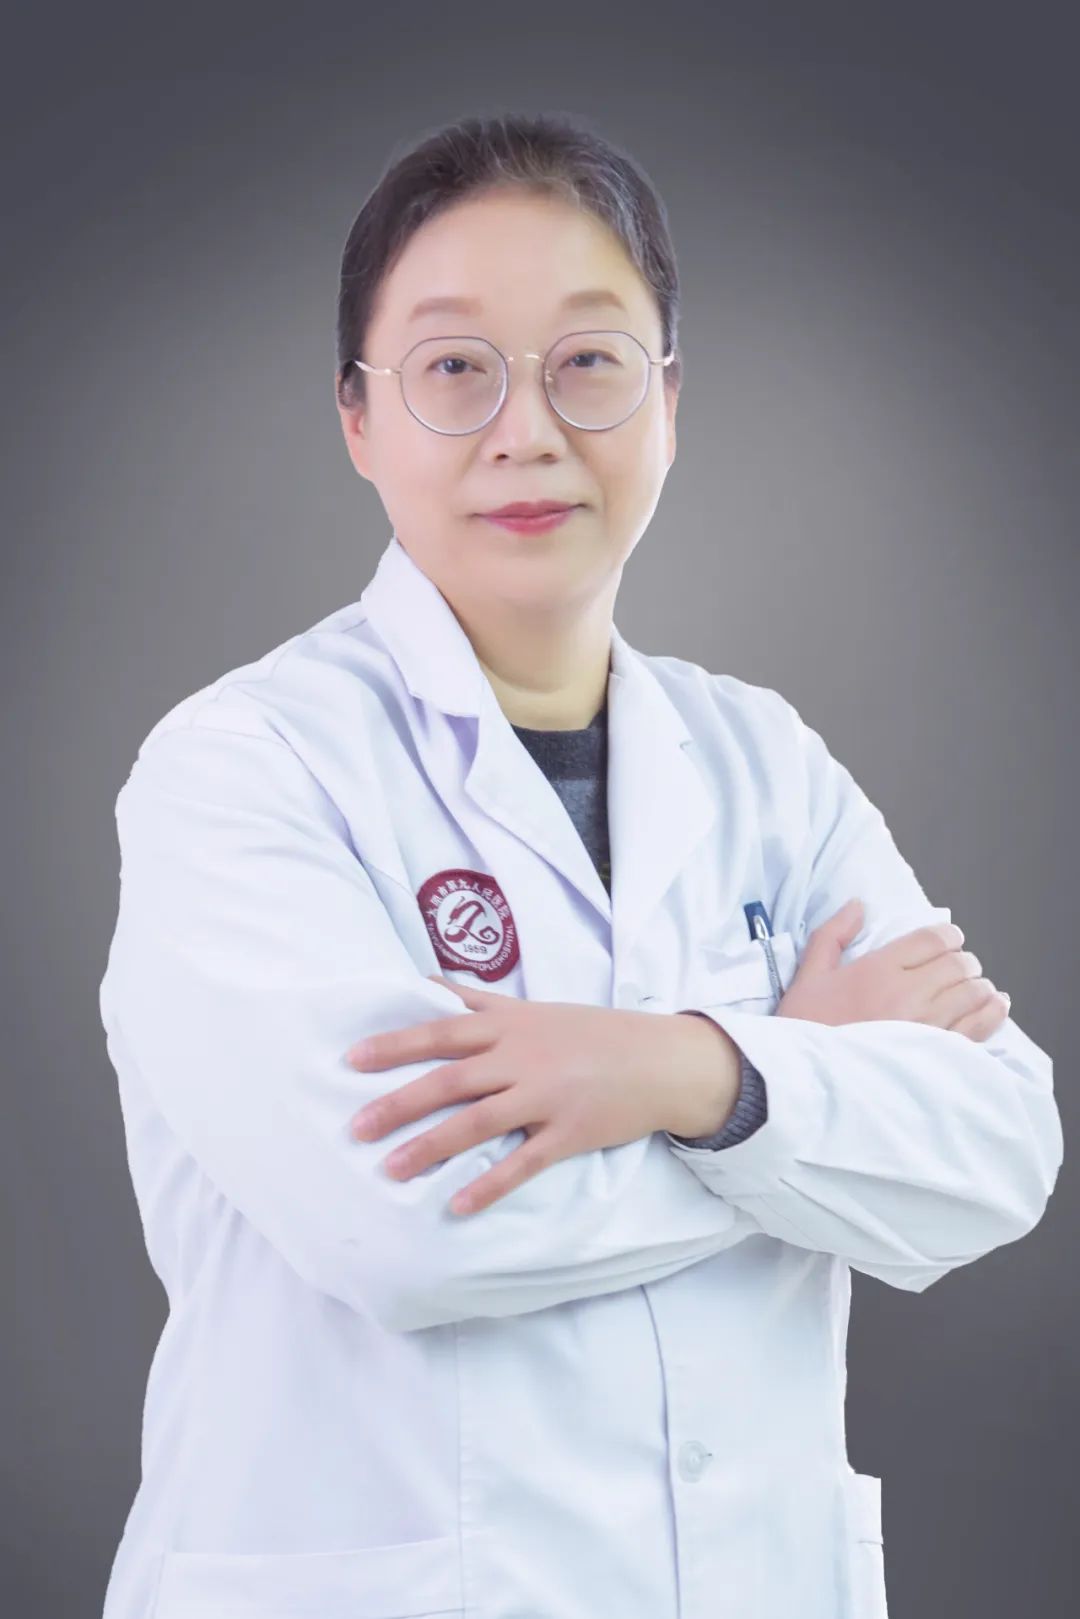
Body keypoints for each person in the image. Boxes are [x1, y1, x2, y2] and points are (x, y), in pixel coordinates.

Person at [97, 112, 1062, 1619]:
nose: (527, 431)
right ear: (357, 418)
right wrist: (789, 1083)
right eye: (454, 369)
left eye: (590, 361)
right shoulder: (244, 769)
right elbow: (407, 1225)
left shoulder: (765, 762)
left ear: (669, 400)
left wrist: (686, 1073)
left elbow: (998, 1151)